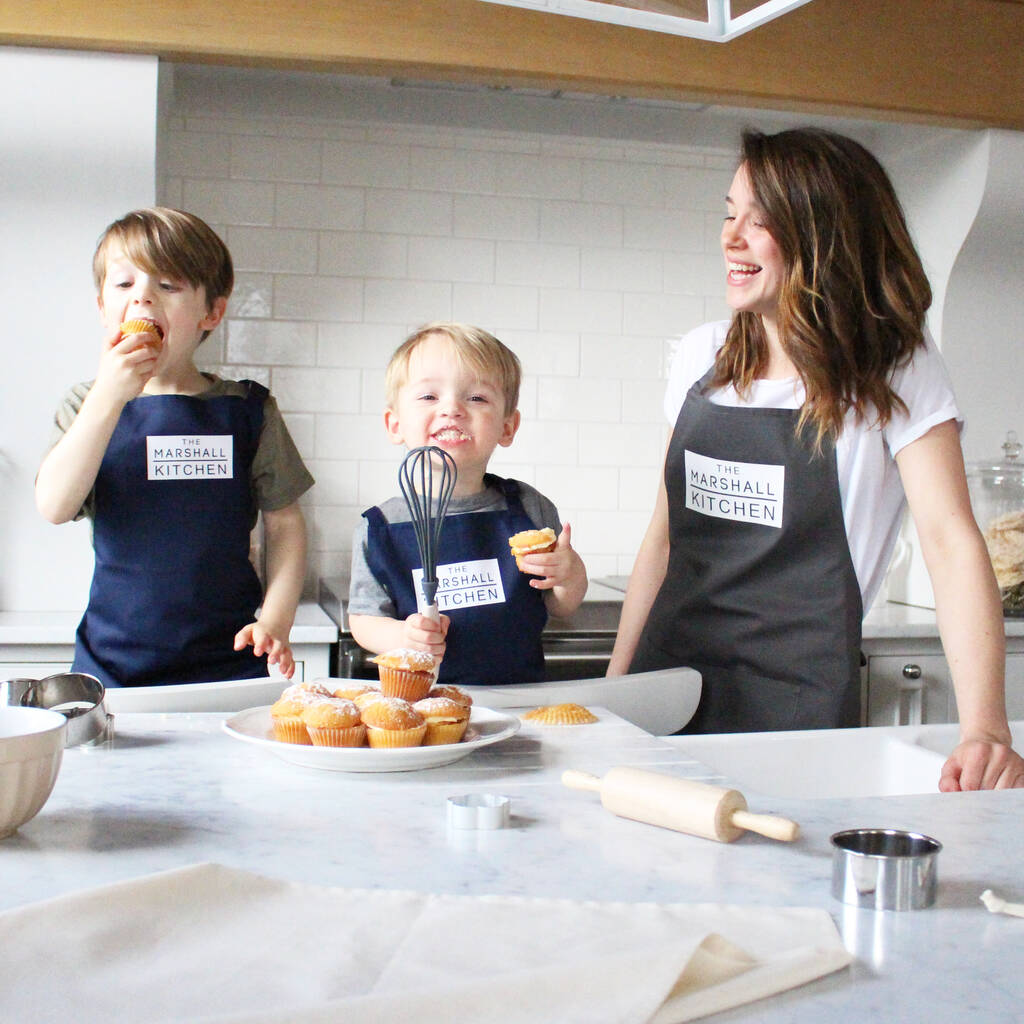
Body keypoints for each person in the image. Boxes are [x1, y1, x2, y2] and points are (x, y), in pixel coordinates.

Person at [607, 128, 1024, 791]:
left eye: (760, 219)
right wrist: (616, 697)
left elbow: (950, 542)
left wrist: (987, 728)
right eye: (729, 212)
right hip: (668, 693)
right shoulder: (700, 358)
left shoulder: (896, 371)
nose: (731, 236)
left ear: (822, 235)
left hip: (796, 713)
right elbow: (661, 542)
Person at [36, 207, 313, 687]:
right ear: (103, 309)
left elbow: (285, 523)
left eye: (168, 285)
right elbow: (55, 507)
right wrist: (109, 395)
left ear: (213, 312)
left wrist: (276, 619)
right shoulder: (86, 404)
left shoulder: (249, 410)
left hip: (230, 661)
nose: (142, 295)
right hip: (114, 663)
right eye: (124, 285)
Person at [348, 322, 588, 685]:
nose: (452, 409)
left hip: (520, 698)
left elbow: (561, 605)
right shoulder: (379, 528)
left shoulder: (529, 509)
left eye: (476, 398)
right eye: (429, 397)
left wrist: (569, 574)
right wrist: (402, 638)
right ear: (394, 424)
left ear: (508, 427)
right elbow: (363, 619)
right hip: (425, 707)